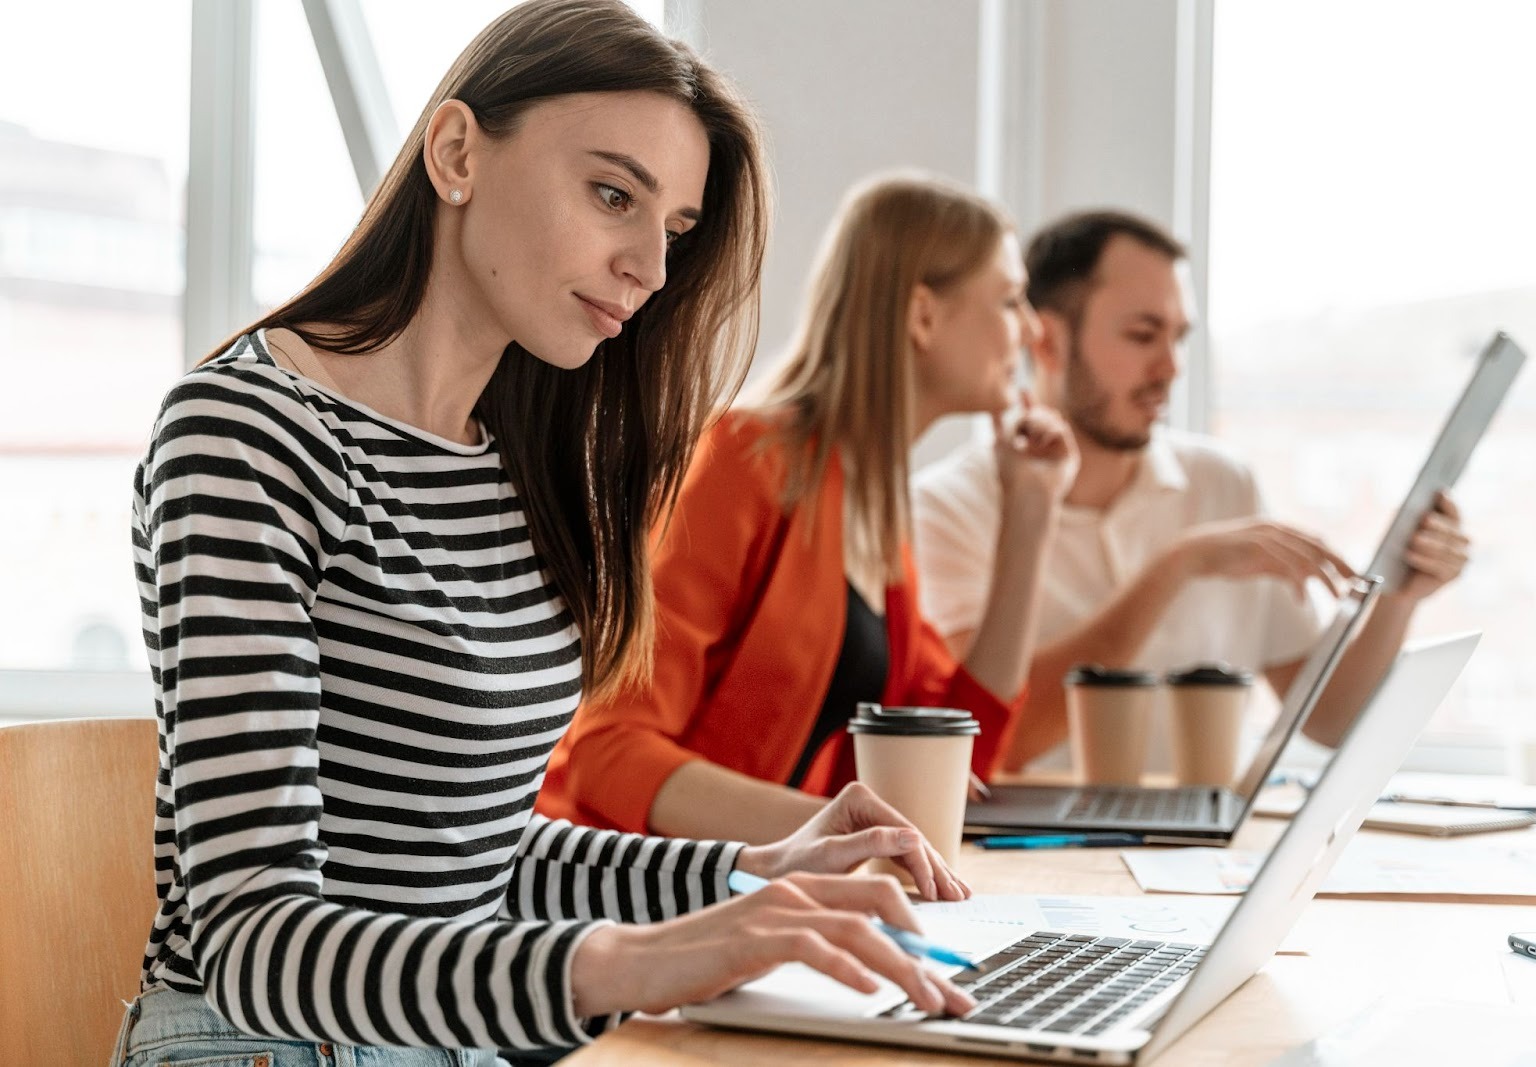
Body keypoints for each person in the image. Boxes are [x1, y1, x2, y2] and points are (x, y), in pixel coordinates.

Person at [115, 5, 979, 1064]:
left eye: (671, 230)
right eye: (612, 194)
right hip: (262, 1042)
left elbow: (464, 854)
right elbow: (255, 942)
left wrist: (751, 870)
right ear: (457, 152)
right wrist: (635, 958)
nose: (650, 270)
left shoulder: (520, 464)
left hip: (457, 1034)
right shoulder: (245, 432)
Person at [537, 173, 1077, 841]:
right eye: (1011, 299)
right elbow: (606, 751)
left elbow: (955, 747)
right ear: (923, 315)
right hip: (627, 899)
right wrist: (840, 833)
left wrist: (1031, 517)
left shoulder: (869, 505)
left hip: (753, 895)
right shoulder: (745, 461)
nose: (1029, 330)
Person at [912, 209, 1470, 772]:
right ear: (1048, 341)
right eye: (1143, 335)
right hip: (1043, 855)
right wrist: (1175, 567)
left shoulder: (1222, 483)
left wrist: (1399, 600)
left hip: (1204, 851)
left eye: (1178, 337)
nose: (1171, 367)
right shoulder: (946, 508)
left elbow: (1326, 719)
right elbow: (997, 741)